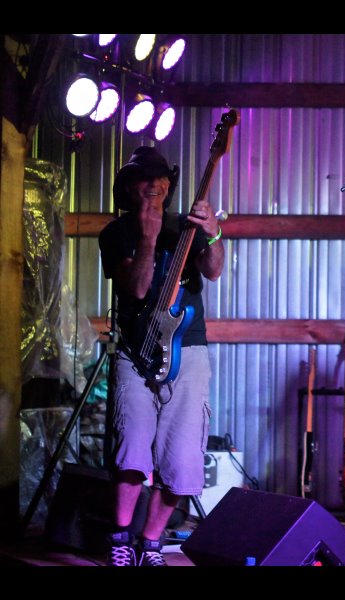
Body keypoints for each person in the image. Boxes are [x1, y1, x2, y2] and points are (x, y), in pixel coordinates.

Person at [98, 146, 224, 566]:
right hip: (136, 353)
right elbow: (135, 289)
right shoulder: (115, 234)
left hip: (188, 351)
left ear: (169, 186)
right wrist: (149, 239)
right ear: (129, 188)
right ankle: (120, 539)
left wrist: (214, 233)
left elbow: (213, 269)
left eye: (160, 178)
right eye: (144, 178)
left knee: (182, 459)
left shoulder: (185, 226)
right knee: (132, 450)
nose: (154, 184)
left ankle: (150, 543)